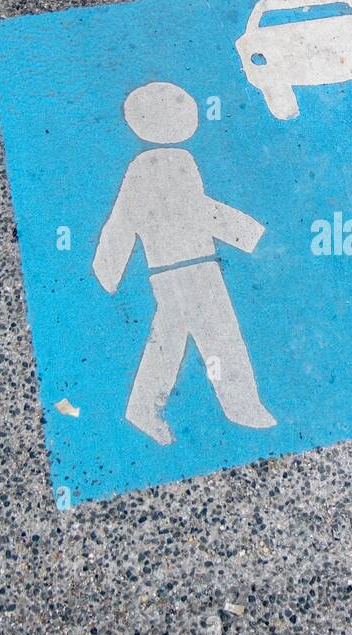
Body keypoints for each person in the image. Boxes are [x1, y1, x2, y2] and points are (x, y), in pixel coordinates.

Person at [93, 82, 276, 443]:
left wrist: (109, 268)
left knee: (173, 337)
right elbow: (146, 216)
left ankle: (145, 407)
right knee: (219, 335)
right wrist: (245, 232)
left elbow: (128, 219)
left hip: (185, 264)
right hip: (187, 266)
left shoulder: (173, 161)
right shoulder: (157, 165)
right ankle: (240, 405)